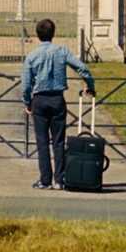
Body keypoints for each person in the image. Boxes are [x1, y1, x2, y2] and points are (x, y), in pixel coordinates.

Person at [21, 18, 95, 190]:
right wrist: (89, 86)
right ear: (53, 34)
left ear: (38, 35)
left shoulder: (32, 55)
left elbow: (25, 83)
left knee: (42, 141)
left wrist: (27, 102)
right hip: (57, 99)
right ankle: (59, 179)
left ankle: (45, 179)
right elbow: (83, 68)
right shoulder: (62, 52)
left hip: (39, 99)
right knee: (59, 141)